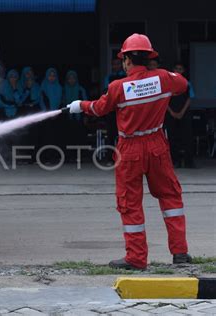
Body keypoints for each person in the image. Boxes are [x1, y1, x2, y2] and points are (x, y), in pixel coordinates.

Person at [66, 33, 192, 270]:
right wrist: (160, 75)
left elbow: (99, 108)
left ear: (126, 60)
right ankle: (180, 253)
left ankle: (136, 258)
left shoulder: (118, 87)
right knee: (171, 198)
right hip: (157, 146)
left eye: (123, 59)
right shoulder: (163, 78)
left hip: (130, 150)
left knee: (130, 204)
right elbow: (183, 85)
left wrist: (79, 106)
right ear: (148, 57)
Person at [165, 62, 196, 168]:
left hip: (184, 113)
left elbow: (189, 98)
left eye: (180, 69)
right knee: (173, 138)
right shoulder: (168, 84)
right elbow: (165, 100)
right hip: (170, 113)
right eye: (176, 69)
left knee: (187, 137)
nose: (178, 71)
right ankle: (175, 161)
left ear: (183, 71)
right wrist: (172, 112)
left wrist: (182, 112)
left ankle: (189, 162)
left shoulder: (188, 83)